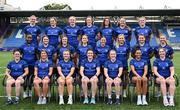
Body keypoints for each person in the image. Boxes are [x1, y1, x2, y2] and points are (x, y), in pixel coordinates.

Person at [20, 34, 38, 98]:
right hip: (25, 66)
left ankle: (30, 91)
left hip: (32, 65)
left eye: (30, 38)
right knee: (25, 78)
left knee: (30, 78)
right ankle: (25, 92)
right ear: (26, 38)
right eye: (28, 38)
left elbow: (37, 55)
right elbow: (19, 55)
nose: (29, 39)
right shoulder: (22, 46)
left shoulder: (35, 46)